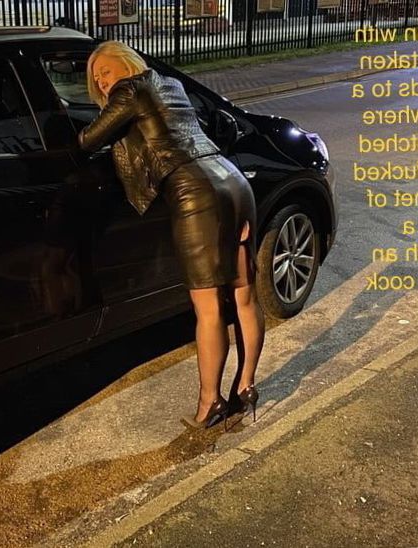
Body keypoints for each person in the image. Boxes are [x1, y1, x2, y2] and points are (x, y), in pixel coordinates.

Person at [78, 41, 266, 428]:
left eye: (106, 71)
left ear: (127, 63)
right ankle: (246, 385)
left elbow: (87, 140)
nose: (102, 81)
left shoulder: (130, 89)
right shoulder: (170, 84)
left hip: (197, 195)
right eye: (97, 79)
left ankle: (210, 402)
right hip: (232, 182)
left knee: (210, 309)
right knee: (244, 295)